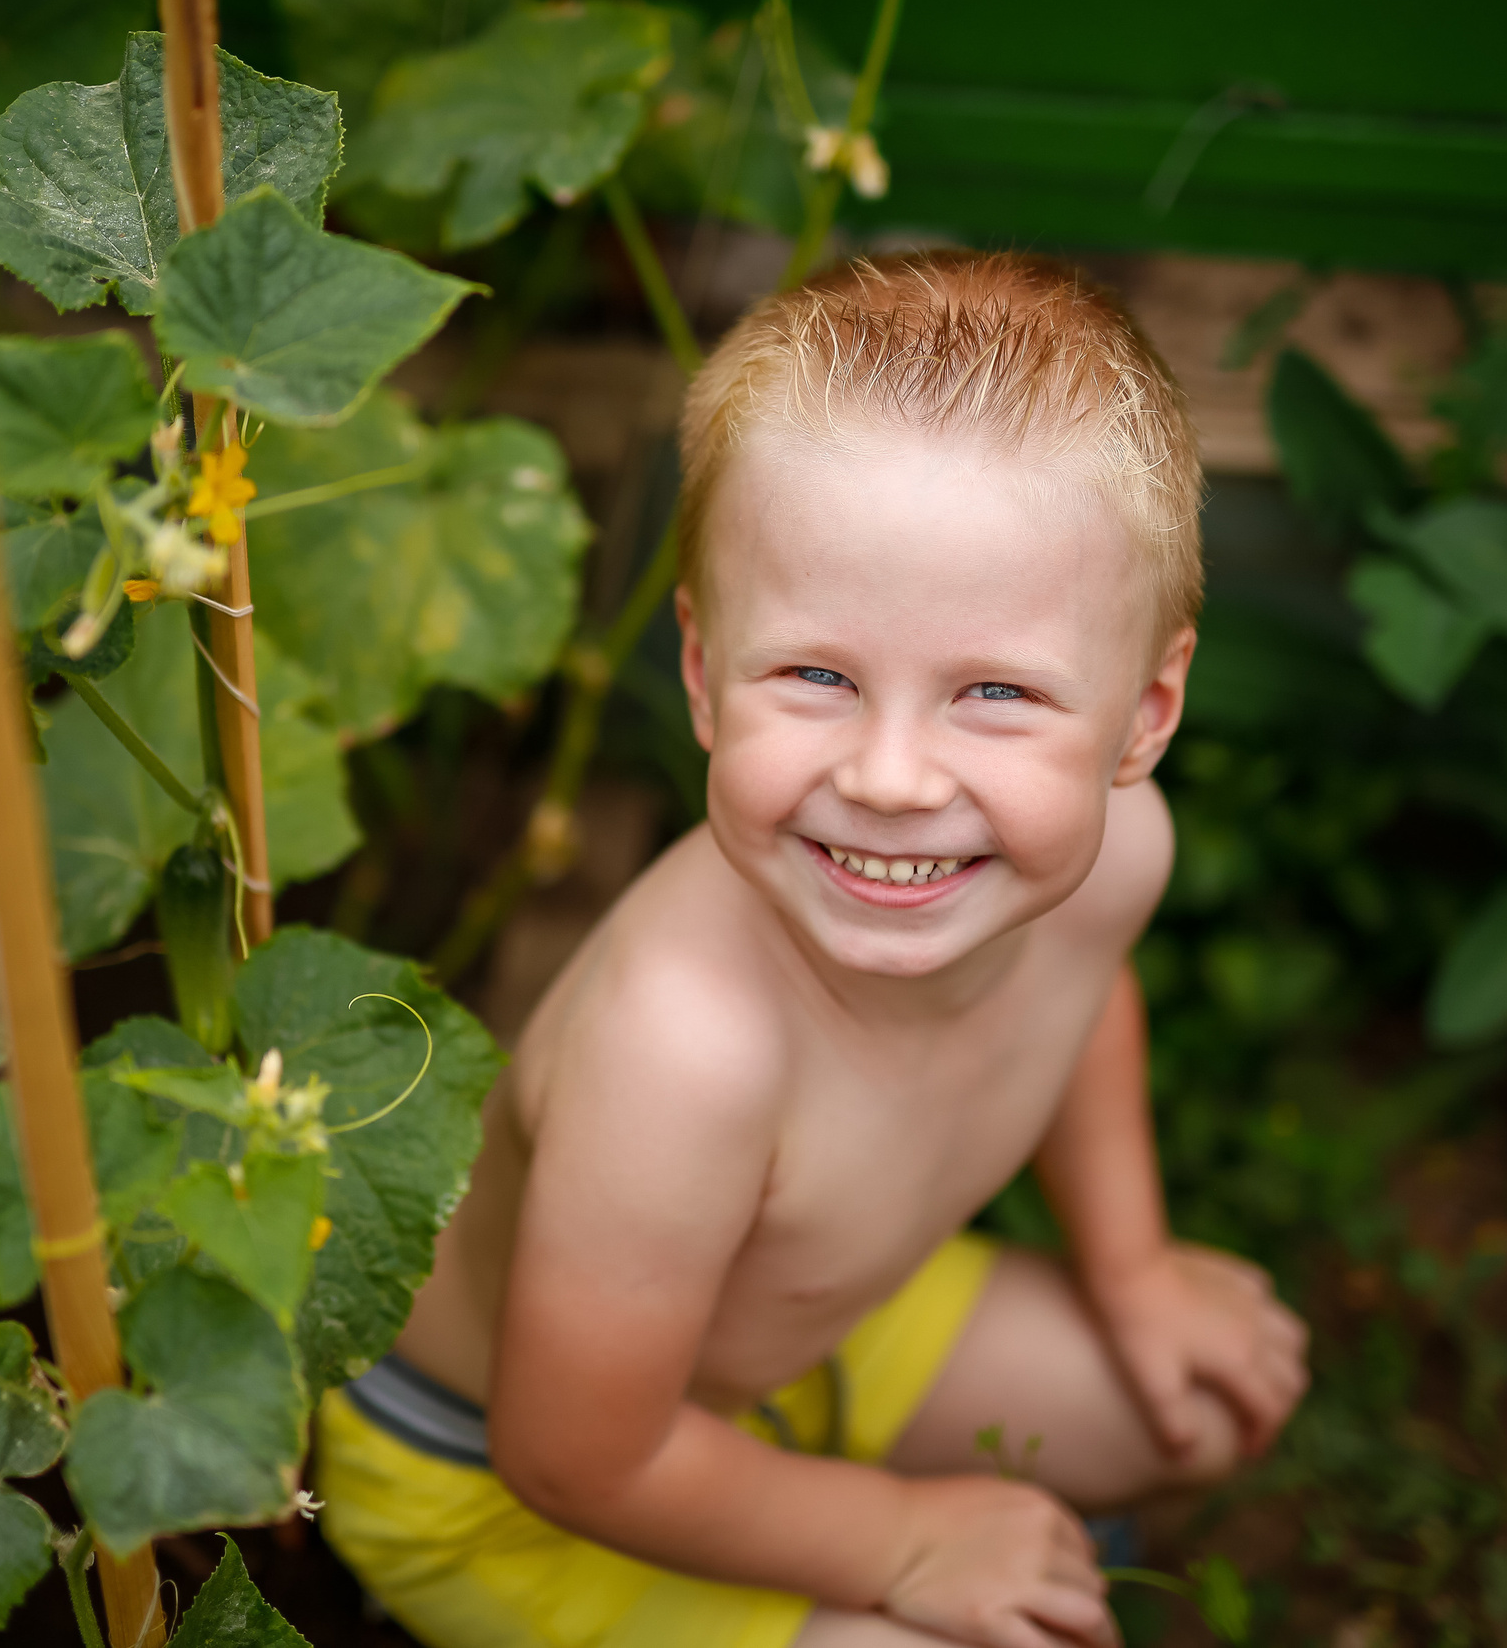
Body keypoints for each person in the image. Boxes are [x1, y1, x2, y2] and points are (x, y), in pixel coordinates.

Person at [314, 251, 1310, 1648]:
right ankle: (885, 1533)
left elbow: (1086, 1005)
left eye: (999, 693)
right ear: (706, 674)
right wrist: (901, 1539)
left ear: (1144, 716)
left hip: (793, 1342)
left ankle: (881, 1507)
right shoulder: (690, 1044)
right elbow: (573, 1455)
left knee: (1198, 1403)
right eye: (820, 675)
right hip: (511, 1476)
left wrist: (1131, 1266)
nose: (894, 776)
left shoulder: (1114, 860)